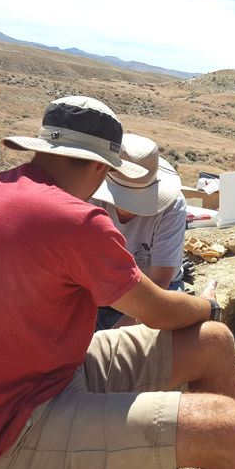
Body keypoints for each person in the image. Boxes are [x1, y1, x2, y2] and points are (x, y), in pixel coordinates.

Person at [0, 96, 235, 469]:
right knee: (228, 430)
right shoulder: (75, 220)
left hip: (50, 372)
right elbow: (157, 311)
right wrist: (209, 306)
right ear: (102, 168)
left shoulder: (2, 188)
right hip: (14, 422)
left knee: (213, 343)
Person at [89, 133, 188, 330]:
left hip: (153, 291)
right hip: (103, 289)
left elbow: (160, 282)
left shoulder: (172, 207)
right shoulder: (91, 197)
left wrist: (116, 335)